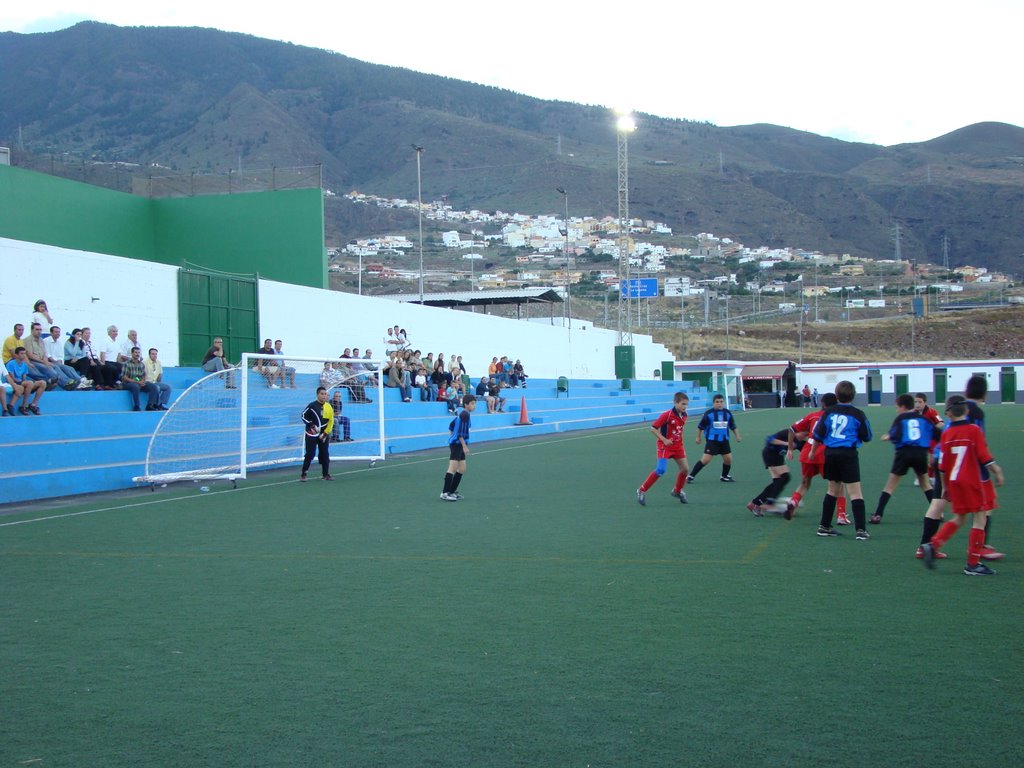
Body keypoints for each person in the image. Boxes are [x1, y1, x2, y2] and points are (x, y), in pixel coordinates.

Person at [921, 398, 1004, 575]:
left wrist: (945, 487)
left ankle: (932, 545)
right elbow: (983, 455)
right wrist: (996, 470)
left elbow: (942, 466)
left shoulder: (947, 434)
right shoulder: (973, 430)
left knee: (959, 518)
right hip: (972, 481)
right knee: (980, 518)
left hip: (954, 481)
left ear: (949, 414)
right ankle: (973, 564)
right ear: (966, 412)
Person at [809, 380, 872, 539]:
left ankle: (824, 526)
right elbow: (867, 436)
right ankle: (861, 530)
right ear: (853, 395)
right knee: (855, 492)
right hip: (847, 454)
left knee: (832, 490)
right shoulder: (858, 414)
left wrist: (812, 452)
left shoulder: (828, 412)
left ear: (836, 395)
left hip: (830, 453)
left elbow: (818, 434)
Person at [869, 394, 938, 524]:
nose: (896, 410)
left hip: (904, 453)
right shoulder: (923, 419)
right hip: (920, 453)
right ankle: (937, 513)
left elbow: (895, 435)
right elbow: (936, 434)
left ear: (903, 406)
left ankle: (878, 515)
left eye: (897, 407)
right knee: (925, 484)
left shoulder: (901, 418)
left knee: (890, 486)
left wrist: (887, 437)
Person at [785, 393, 839, 520]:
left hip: (808, 453)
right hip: (826, 454)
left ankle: (793, 502)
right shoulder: (835, 417)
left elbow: (792, 429)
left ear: (822, 403)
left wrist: (790, 448)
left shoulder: (812, 416)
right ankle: (840, 514)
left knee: (805, 482)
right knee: (836, 484)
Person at [636, 391, 691, 505]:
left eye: (686, 404)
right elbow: (653, 428)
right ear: (675, 403)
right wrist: (664, 440)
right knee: (661, 469)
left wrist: (680, 443)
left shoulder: (685, 415)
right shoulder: (667, 415)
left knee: (685, 469)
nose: (685, 407)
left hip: (678, 446)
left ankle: (677, 491)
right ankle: (641, 490)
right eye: (683, 404)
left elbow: (679, 430)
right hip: (664, 446)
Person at [747, 426, 801, 517]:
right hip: (770, 453)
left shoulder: (802, 441)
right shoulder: (788, 433)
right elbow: (769, 439)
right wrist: (788, 443)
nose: (804, 436)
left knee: (778, 481)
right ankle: (769, 503)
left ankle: (755, 503)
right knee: (785, 477)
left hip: (778, 456)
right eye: (803, 433)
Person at [687, 394, 741, 483]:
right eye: (717, 402)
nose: (719, 404)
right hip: (712, 441)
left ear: (724, 402)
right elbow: (700, 427)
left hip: (724, 440)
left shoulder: (727, 413)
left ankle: (724, 476)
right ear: (713, 403)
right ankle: (691, 476)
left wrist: (737, 435)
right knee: (705, 460)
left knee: (728, 459)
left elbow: (732, 426)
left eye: (721, 402)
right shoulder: (709, 414)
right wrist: (698, 437)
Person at [440, 394, 477, 501]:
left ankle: (451, 492)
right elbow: (460, 433)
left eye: (475, 404)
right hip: (457, 445)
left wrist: (452, 436)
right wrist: (463, 446)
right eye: (472, 404)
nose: (474, 406)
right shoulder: (465, 415)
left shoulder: (463, 414)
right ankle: (444, 493)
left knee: (462, 469)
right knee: (452, 468)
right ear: (466, 405)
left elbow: (451, 425)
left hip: (457, 444)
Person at [300, 386, 334, 481]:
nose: (324, 396)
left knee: (324, 454)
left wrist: (326, 433)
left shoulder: (328, 406)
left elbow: (331, 421)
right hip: (312, 434)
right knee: (310, 454)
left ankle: (326, 474)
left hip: (323, 435)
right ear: (317, 395)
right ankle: (304, 474)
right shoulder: (312, 406)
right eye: (322, 394)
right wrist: (311, 425)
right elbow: (303, 416)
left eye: (325, 394)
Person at [5, 347, 46, 415]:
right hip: (14, 383)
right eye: (21, 353)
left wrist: (27, 382)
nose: (24, 355)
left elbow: (24, 378)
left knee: (43, 383)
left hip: (22, 382)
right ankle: (24, 406)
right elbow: (12, 378)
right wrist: (26, 383)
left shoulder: (24, 364)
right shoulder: (11, 364)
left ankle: (33, 404)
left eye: (24, 353)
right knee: (29, 383)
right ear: (17, 354)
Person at [121, 346, 159, 411]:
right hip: (127, 383)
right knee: (135, 386)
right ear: (132, 353)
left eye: (139, 352)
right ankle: (137, 406)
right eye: (135, 352)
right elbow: (124, 377)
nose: (137, 354)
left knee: (153, 387)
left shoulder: (141, 364)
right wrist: (137, 382)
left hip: (137, 381)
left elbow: (143, 375)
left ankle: (150, 405)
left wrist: (142, 381)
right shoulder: (126, 364)